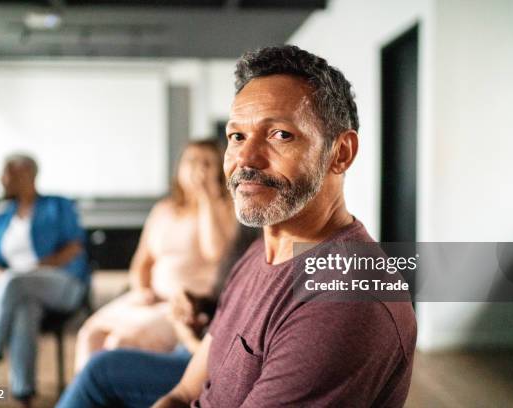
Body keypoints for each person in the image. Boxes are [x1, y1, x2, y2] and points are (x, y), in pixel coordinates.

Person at [153, 45, 417, 408]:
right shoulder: (261, 251)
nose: (245, 158)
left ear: (341, 153)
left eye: (280, 134)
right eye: (237, 137)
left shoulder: (345, 302)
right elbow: (184, 394)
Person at [73, 139, 236, 373]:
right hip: (150, 298)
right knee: (91, 334)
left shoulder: (225, 208)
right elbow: (143, 262)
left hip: (183, 307)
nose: (197, 169)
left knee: (120, 344)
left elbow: (217, 253)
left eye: (207, 163)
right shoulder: (163, 209)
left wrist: (205, 198)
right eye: (191, 161)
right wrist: (142, 289)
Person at [55, 226, 259, 408]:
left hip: (209, 361)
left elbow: (250, 359)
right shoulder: (254, 234)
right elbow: (231, 300)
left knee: (100, 370)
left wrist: (193, 342)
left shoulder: (290, 255)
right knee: (96, 346)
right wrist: (200, 305)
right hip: (200, 346)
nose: (243, 182)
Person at [0, 154, 90, 407]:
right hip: (17, 290)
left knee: (15, 282)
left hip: (63, 283)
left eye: (6, 173)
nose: (1, 179)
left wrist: (32, 269)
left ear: (26, 174)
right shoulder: (2, 219)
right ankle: (24, 395)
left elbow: (75, 247)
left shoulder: (58, 206)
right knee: (25, 308)